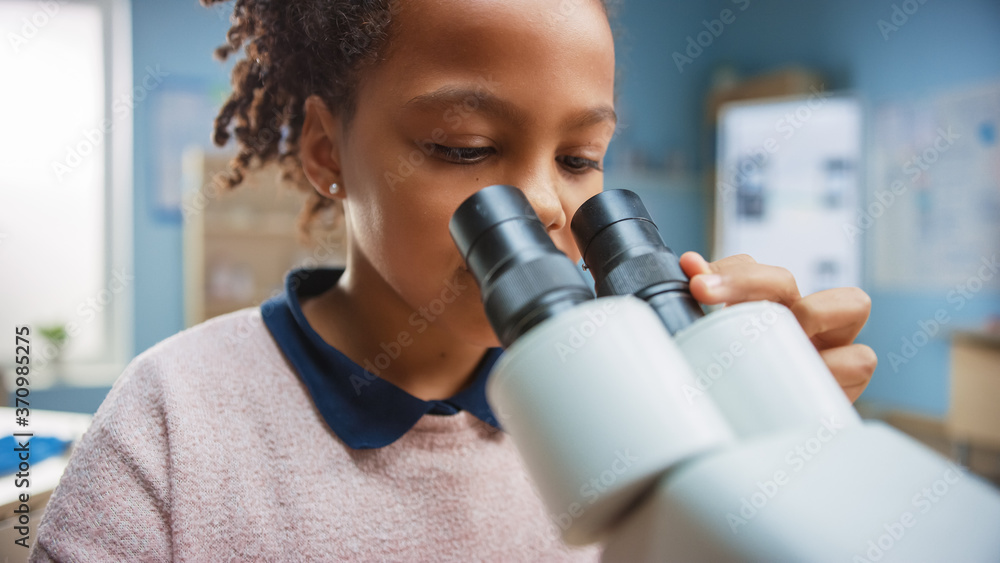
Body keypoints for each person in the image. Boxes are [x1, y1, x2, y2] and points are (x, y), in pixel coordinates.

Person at [30, 0, 877, 560]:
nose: (546, 201)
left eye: (581, 158)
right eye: (465, 147)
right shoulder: (171, 420)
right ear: (328, 152)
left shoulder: (646, 406)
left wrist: (781, 478)